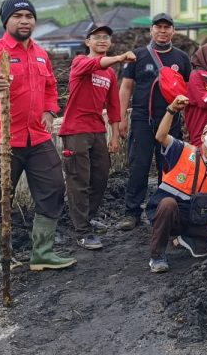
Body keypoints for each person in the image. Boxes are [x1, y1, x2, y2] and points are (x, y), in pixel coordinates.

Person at [0, 0, 75, 271]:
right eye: (18, 16)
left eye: (29, 16)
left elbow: (51, 87)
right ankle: (2, 256)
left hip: (37, 136)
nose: (24, 21)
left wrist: (50, 111)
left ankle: (42, 252)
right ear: (6, 21)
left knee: (54, 187)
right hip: (2, 138)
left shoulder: (41, 53)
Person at [146, 95, 207, 273]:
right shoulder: (182, 149)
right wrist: (171, 110)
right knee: (167, 204)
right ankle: (157, 256)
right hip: (174, 216)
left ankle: (189, 239)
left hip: (200, 218)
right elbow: (160, 136)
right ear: (203, 136)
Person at [59, 23, 136, 250]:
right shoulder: (80, 63)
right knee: (78, 180)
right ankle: (82, 231)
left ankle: (87, 217)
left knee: (100, 178)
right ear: (88, 42)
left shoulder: (110, 74)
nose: (102, 40)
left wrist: (114, 136)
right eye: (97, 37)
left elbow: (113, 106)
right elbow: (97, 62)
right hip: (75, 130)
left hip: (97, 130)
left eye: (106, 37)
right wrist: (121, 56)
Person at [117, 13, 191, 230]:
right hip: (142, 119)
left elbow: (187, 91)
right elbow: (126, 87)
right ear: (151, 30)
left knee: (167, 167)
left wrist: (185, 121)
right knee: (138, 166)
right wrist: (121, 118)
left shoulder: (182, 58)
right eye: (158, 27)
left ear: (173, 31)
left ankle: (162, 211)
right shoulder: (137, 56)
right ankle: (132, 212)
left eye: (167, 27)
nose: (162, 31)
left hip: (171, 120)